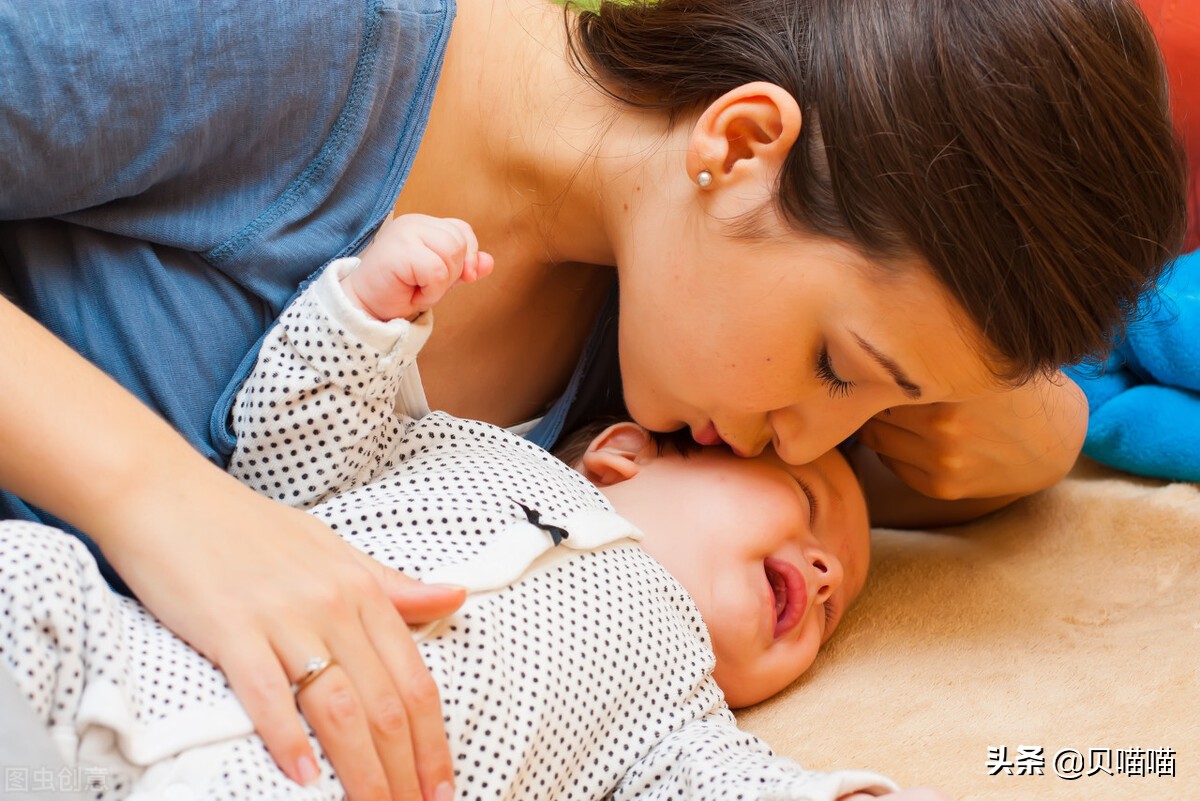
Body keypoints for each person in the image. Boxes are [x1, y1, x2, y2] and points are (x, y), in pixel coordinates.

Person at [0, 0, 1186, 796]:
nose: (814, 446)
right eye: (839, 367)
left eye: (873, 411)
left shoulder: (658, 336)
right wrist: (155, 495)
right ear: (741, 143)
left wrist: (1043, 429)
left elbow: (873, 490)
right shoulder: (278, 40)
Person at [0, 214, 947, 801]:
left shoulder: (678, 721)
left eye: (839, 599)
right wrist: (368, 318)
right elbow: (289, 459)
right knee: (28, 574)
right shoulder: (478, 454)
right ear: (624, 454)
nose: (826, 573)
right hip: (121, 673)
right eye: (808, 500)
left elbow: (730, 789)